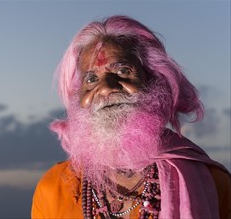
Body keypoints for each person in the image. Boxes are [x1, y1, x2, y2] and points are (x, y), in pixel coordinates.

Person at [31, 15, 231, 219]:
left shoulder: (213, 184)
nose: (106, 88)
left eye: (123, 70)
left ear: (155, 81)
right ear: (78, 96)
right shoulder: (53, 188)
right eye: (91, 79)